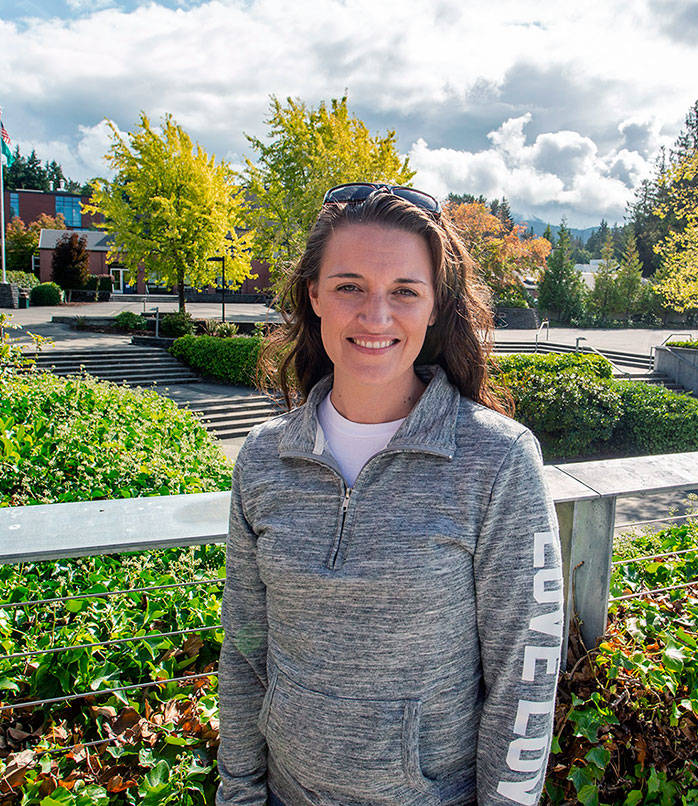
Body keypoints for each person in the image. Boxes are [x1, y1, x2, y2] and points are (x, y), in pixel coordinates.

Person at [218, 183, 564, 806]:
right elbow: (246, 651)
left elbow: (526, 673)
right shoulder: (264, 459)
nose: (376, 316)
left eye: (405, 291)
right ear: (313, 296)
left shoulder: (498, 459)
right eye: (349, 286)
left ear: (435, 307)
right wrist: (238, 794)